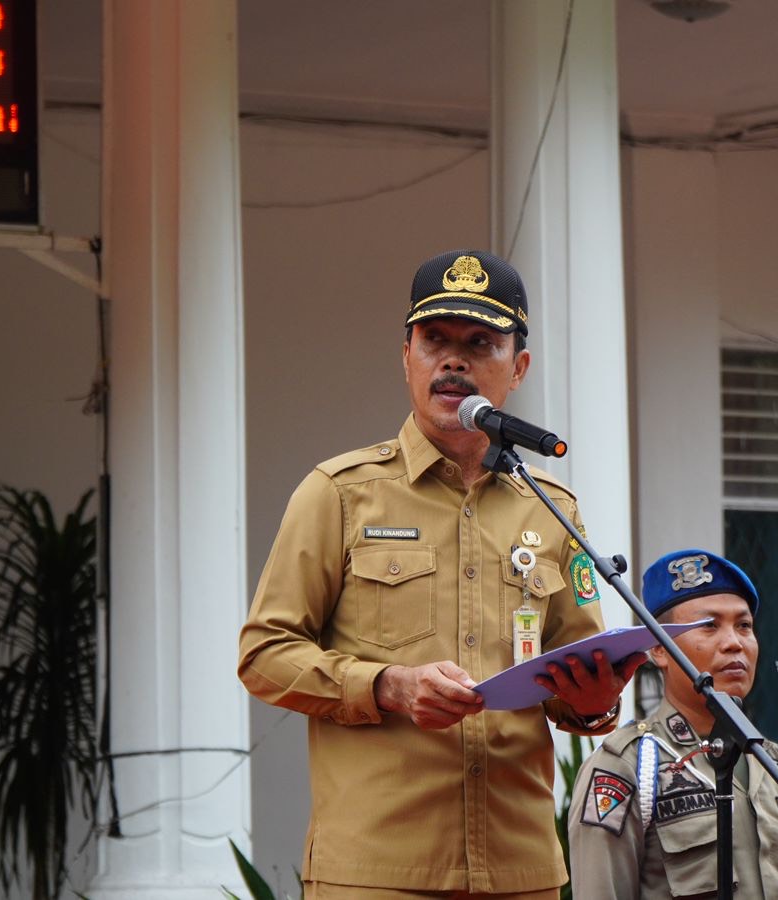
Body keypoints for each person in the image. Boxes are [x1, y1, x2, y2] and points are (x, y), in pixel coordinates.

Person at [238, 249, 644, 899]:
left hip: (520, 871)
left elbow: (576, 678)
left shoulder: (552, 509)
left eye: (479, 342)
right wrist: (388, 686)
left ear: (518, 368)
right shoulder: (339, 494)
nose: (452, 360)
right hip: (378, 872)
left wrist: (595, 707)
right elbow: (263, 654)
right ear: (406, 357)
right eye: (434, 340)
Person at [568, 550, 778, 900]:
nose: (734, 642)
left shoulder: (777, 765)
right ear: (659, 649)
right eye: (709, 625)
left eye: (744, 625)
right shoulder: (628, 767)